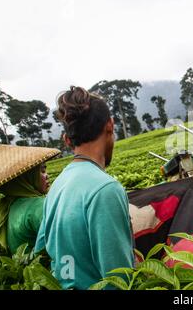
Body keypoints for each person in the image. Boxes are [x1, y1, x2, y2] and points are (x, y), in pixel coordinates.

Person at [35, 86, 134, 289]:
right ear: (110, 126)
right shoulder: (105, 189)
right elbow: (119, 279)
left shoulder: (57, 187)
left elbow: (41, 249)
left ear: (67, 140)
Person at [0, 145, 60, 253]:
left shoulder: (8, 207)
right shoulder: (38, 206)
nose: (47, 176)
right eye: (42, 171)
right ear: (27, 179)